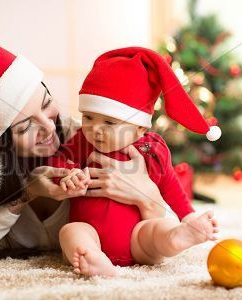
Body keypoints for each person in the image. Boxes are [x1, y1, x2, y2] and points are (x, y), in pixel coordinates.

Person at [0, 37, 170, 262]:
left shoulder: (86, 137)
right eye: (25, 126)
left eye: (47, 103)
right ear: (0, 144)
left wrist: (146, 195)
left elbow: (170, 233)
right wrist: (23, 195)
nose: (49, 127)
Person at [46, 47, 221, 276]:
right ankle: (93, 258)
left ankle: (178, 236)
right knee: (70, 231)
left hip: (138, 237)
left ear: (140, 128)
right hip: (92, 232)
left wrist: (187, 216)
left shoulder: (151, 148)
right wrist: (67, 173)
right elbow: (59, 159)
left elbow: (169, 184)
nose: (95, 129)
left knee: (159, 228)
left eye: (109, 122)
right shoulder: (81, 141)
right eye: (88, 117)